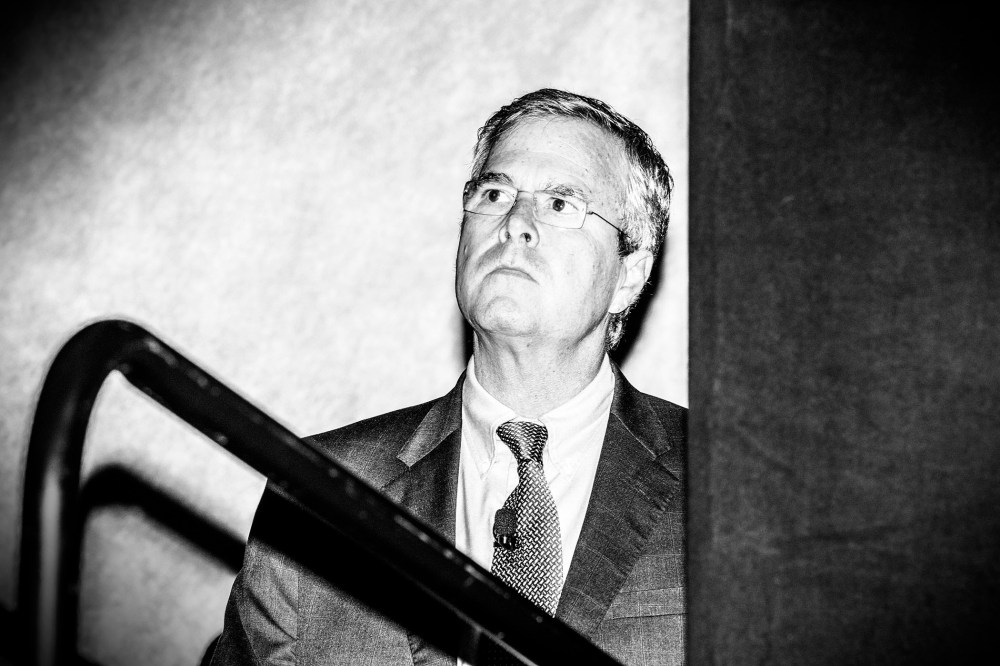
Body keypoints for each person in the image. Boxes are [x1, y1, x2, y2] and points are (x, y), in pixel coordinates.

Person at [209, 88, 685, 666]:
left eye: (561, 204)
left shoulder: (721, 482)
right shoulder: (320, 494)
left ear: (631, 272)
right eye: (494, 192)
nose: (515, 223)